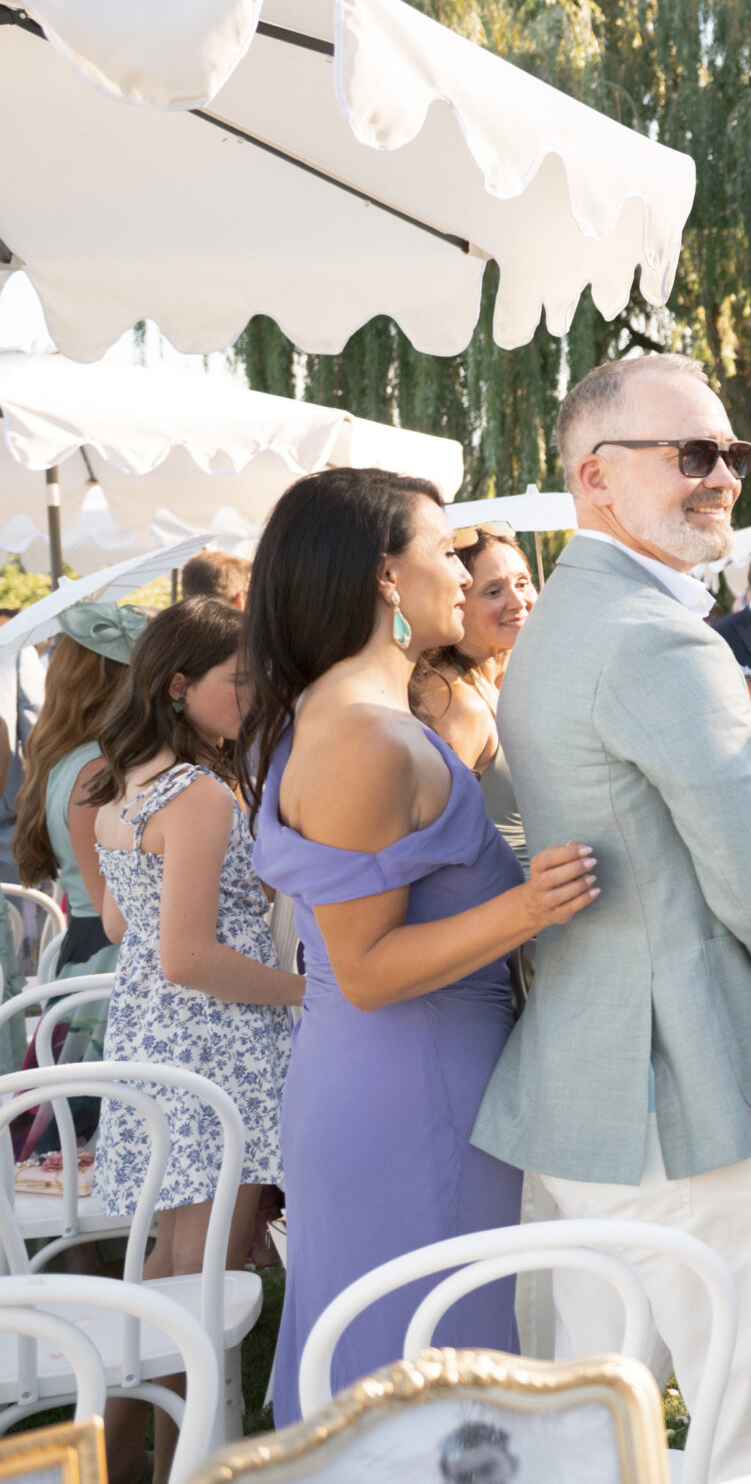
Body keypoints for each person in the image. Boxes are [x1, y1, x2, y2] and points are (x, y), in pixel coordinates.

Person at [476, 356, 751, 1478]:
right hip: (694, 1084)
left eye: (728, 451)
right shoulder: (651, 633)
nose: (722, 474)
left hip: (590, 1082)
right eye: (690, 453)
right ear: (596, 476)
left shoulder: (565, 621)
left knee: (593, 1413)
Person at [248, 469, 599, 1427]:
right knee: (428, 1381)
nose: (462, 568)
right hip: (416, 1095)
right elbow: (365, 969)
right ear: (383, 578)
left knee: (416, 1372)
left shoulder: (341, 712)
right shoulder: (371, 739)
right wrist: (532, 906)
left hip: (389, 1081)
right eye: (444, 550)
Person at [86, 599, 301, 1479]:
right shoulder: (202, 795)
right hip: (223, 1045)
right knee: (198, 1281)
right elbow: (186, 955)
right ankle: (183, 1461)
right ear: (179, 687)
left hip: (156, 1040)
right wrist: (309, 992)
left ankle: (119, 1455)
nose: (251, 696)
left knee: (170, 1267)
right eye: (235, 681)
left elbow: (118, 922)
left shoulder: (115, 787)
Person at [14, 605, 141, 969]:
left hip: (97, 949)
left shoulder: (78, 758)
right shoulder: (97, 767)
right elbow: (109, 903)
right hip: (108, 961)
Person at [411, 525, 539, 869]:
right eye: (494, 591)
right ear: (457, 600)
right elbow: (431, 843)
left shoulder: (512, 680)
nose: (518, 602)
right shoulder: (455, 703)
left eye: (523, 583)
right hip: (508, 909)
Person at [179, 550, 252, 610]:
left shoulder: (170, 625)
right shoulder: (246, 627)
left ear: (182, 592)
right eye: (247, 593)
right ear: (239, 599)